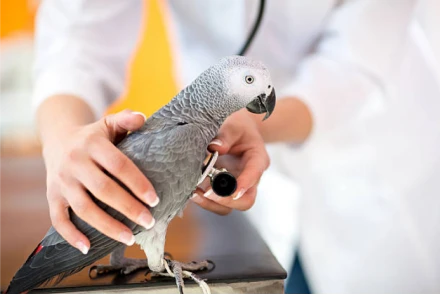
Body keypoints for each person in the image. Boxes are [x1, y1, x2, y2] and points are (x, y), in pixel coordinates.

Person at [34, 1, 434, 294]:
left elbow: (356, 63)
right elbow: (77, 33)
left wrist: (248, 123)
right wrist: (63, 137)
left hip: (374, 163)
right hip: (228, 180)